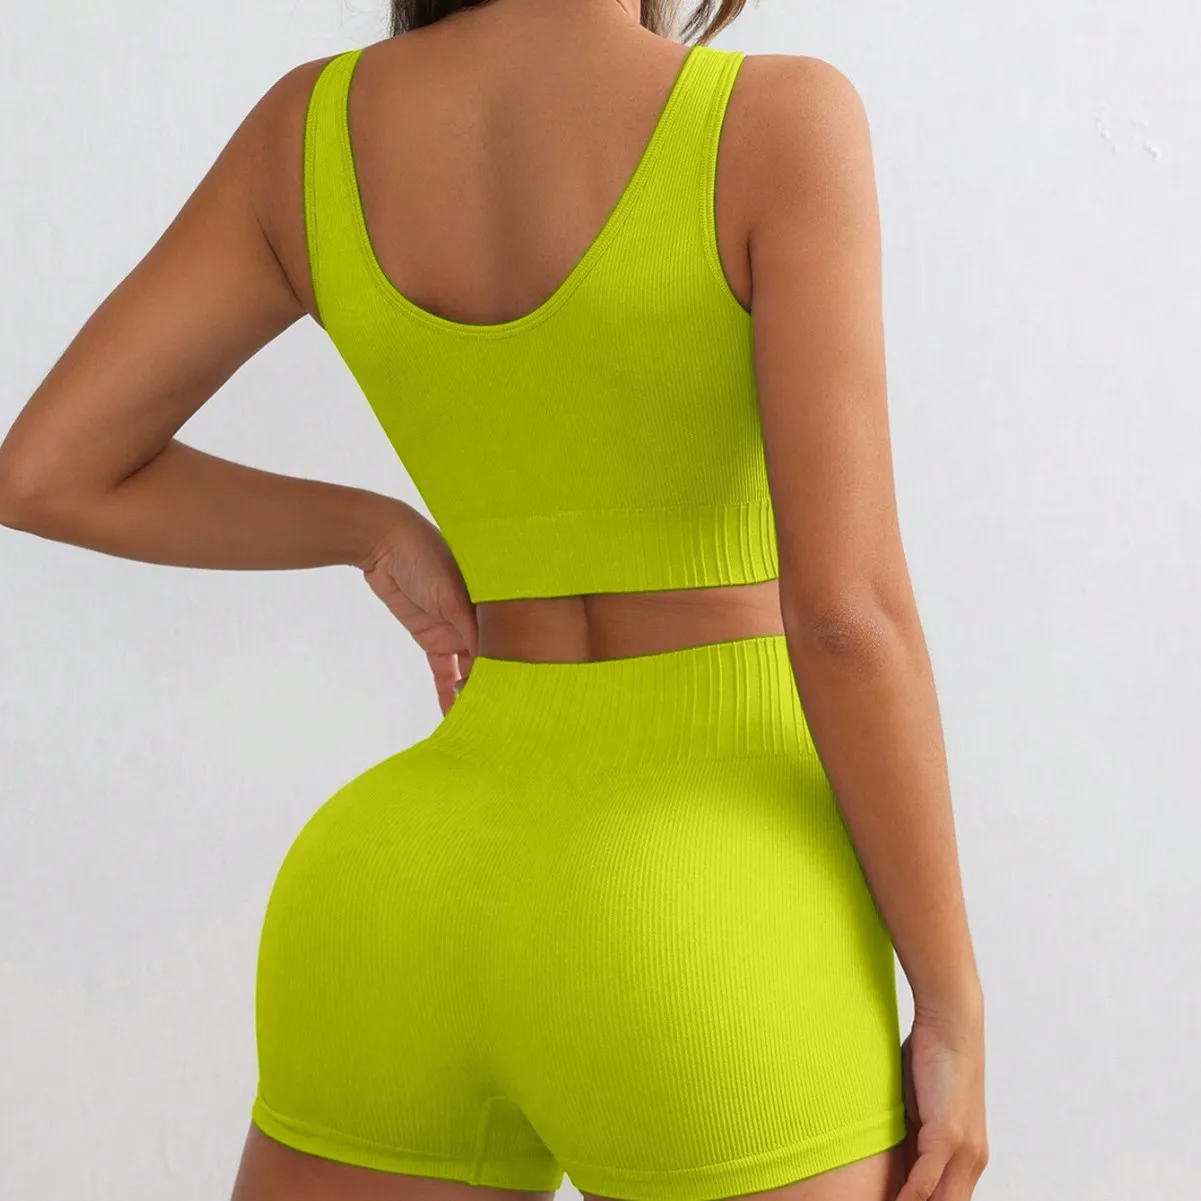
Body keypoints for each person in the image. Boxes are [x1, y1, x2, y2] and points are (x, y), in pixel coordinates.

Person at [0, 0, 988, 1199]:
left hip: (396, 895)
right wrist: (950, 997)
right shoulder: (772, 120)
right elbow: (843, 616)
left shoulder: (304, 133)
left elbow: (45, 472)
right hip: (705, 909)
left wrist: (369, 529)